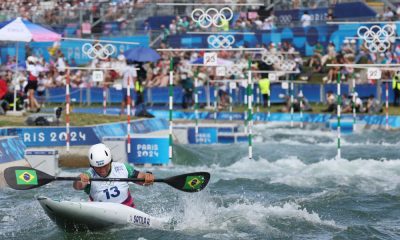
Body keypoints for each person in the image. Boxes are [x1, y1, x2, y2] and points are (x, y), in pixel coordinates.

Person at [73, 143, 155, 208]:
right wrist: (80, 179)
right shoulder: (89, 174)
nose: (102, 170)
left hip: (127, 209)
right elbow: (77, 186)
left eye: (105, 166)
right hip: (101, 212)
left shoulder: (123, 168)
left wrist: (147, 177)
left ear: (110, 162)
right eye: (98, 167)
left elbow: (142, 180)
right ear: (92, 166)